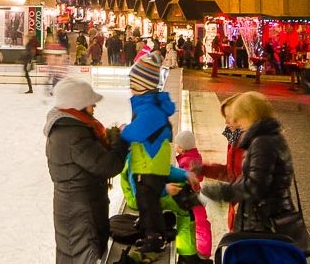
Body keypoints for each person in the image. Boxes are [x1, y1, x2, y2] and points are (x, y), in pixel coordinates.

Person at [201, 92, 310, 254]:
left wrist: (218, 191)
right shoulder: (268, 138)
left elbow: (255, 186)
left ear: (250, 115)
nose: (235, 123)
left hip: (263, 224)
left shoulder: (262, 142)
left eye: (237, 117)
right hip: (263, 220)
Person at [44, 78, 129, 264]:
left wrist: (112, 136)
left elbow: (92, 153)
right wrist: (121, 142)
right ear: (78, 104)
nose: (94, 107)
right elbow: (109, 165)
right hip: (79, 211)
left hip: (79, 206)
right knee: (82, 256)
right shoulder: (72, 133)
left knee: (77, 255)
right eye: (91, 103)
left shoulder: (74, 127)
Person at [121, 52, 185, 255]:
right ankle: (147, 226)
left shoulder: (150, 109)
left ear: (143, 85)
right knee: (145, 199)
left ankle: (155, 236)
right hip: (149, 162)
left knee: (148, 200)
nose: (131, 86)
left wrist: (123, 132)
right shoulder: (150, 105)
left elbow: (136, 132)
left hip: (151, 164)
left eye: (133, 82)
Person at [173, 129, 213, 261]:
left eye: (177, 145)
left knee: (198, 224)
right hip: (197, 195)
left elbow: (184, 179)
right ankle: (204, 251)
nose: (175, 146)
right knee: (202, 223)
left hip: (191, 197)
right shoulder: (194, 157)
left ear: (182, 148)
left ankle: (202, 252)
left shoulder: (186, 161)